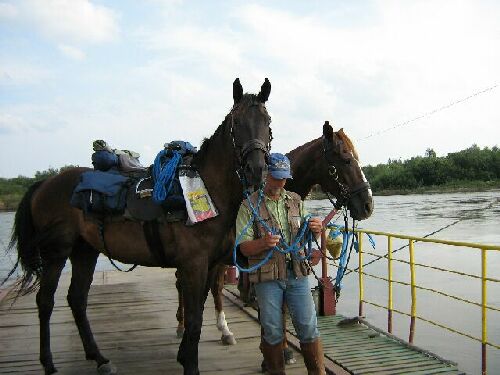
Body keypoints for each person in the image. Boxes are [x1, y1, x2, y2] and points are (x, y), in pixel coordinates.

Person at [236, 153, 326, 375]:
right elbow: (243, 247)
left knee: (308, 326)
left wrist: (316, 229)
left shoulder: (296, 200)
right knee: (273, 330)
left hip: (297, 273)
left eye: (284, 178)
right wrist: (264, 243)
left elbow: (307, 236)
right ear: (266, 175)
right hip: (267, 279)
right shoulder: (249, 205)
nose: (281, 182)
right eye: (276, 177)